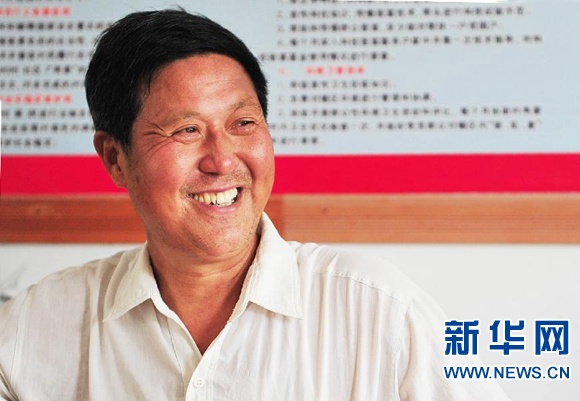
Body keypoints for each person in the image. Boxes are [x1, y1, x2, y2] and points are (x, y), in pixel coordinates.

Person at [0, 9, 511, 401]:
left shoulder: (380, 311)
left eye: (243, 124)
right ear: (116, 158)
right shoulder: (34, 327)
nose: (223, 160)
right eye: (186, 130)